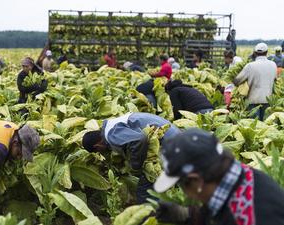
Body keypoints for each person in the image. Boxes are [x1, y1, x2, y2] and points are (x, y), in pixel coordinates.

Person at [154, 128, 284, 225]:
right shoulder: (243, 176)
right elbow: (221, 206)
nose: (186, 194)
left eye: (181, 185)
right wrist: (186, 214)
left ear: (196, 181)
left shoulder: (252, 217)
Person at [82, 112, 181, 204]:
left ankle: (153, 219)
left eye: (99, 151)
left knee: (145, 193)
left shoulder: (112, 134)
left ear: (97, 146)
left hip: (170, 144)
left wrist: (135, 165)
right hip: (175, 139)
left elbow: (139, 140)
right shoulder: (112, 125)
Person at [233, 43, 276, 120]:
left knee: (255, 126)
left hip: (252, 101)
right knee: (265, 127)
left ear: (255, 53)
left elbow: (237, 81)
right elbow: (275, 80)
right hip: (268, 100)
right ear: (266, 52)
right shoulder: (273, 65)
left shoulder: (250, 66)